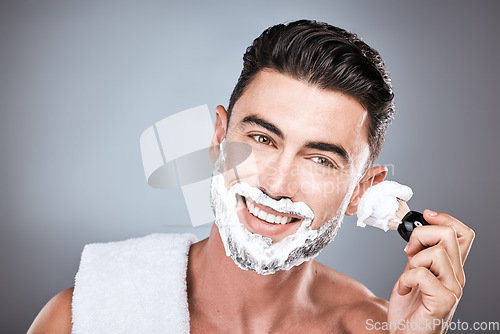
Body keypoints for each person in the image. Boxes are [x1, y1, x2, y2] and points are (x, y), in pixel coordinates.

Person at [29, 19, 474, 333]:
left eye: (320, 160)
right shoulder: (83, 317)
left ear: (360, 191)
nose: (277, 186)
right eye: (262, 139)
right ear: (219, 138)